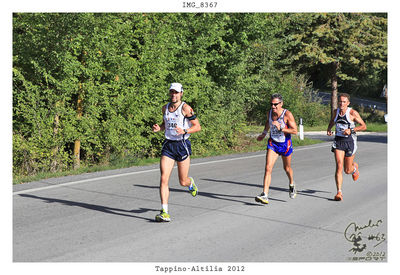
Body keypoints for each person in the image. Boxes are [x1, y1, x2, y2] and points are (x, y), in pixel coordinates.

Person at [152, 83, 201, 222]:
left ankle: (190, 183)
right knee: (163, 179)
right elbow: (165, 125)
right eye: (172, 92)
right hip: (168, 145)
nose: (174, 95)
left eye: (176, 92)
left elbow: (197, 127)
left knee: (182, 181)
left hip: (182, 145)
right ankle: (164, 211)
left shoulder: (186, 108)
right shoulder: (165, 108)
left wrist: (185, 131)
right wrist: (159, 128)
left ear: (181, 94)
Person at [255, 93, 298, 204]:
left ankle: (292, 184)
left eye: (275, 104)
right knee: (268, 168)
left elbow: (295, 131)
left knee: (287, 168)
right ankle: (265, 194)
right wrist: (264, 133)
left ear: (281, 103)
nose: (273, 107)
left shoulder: (287, 114)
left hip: (285, 145)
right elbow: (268, 123)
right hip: (273, 143)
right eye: (271, 104)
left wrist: (282, 128)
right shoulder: (269, 113)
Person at [327, 93, 366, 201]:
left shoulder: (352, 113)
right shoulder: (336, 112)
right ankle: (339, 192)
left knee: (347, 170)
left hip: (350, 142)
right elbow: (332, 121)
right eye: (340, 101)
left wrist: (351, 130)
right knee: (339, 165)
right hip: (338, 141)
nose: (341, 104)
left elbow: (364, 126)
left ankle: (354, 168)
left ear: (348, 103)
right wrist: (329, 129)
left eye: (344, 102)